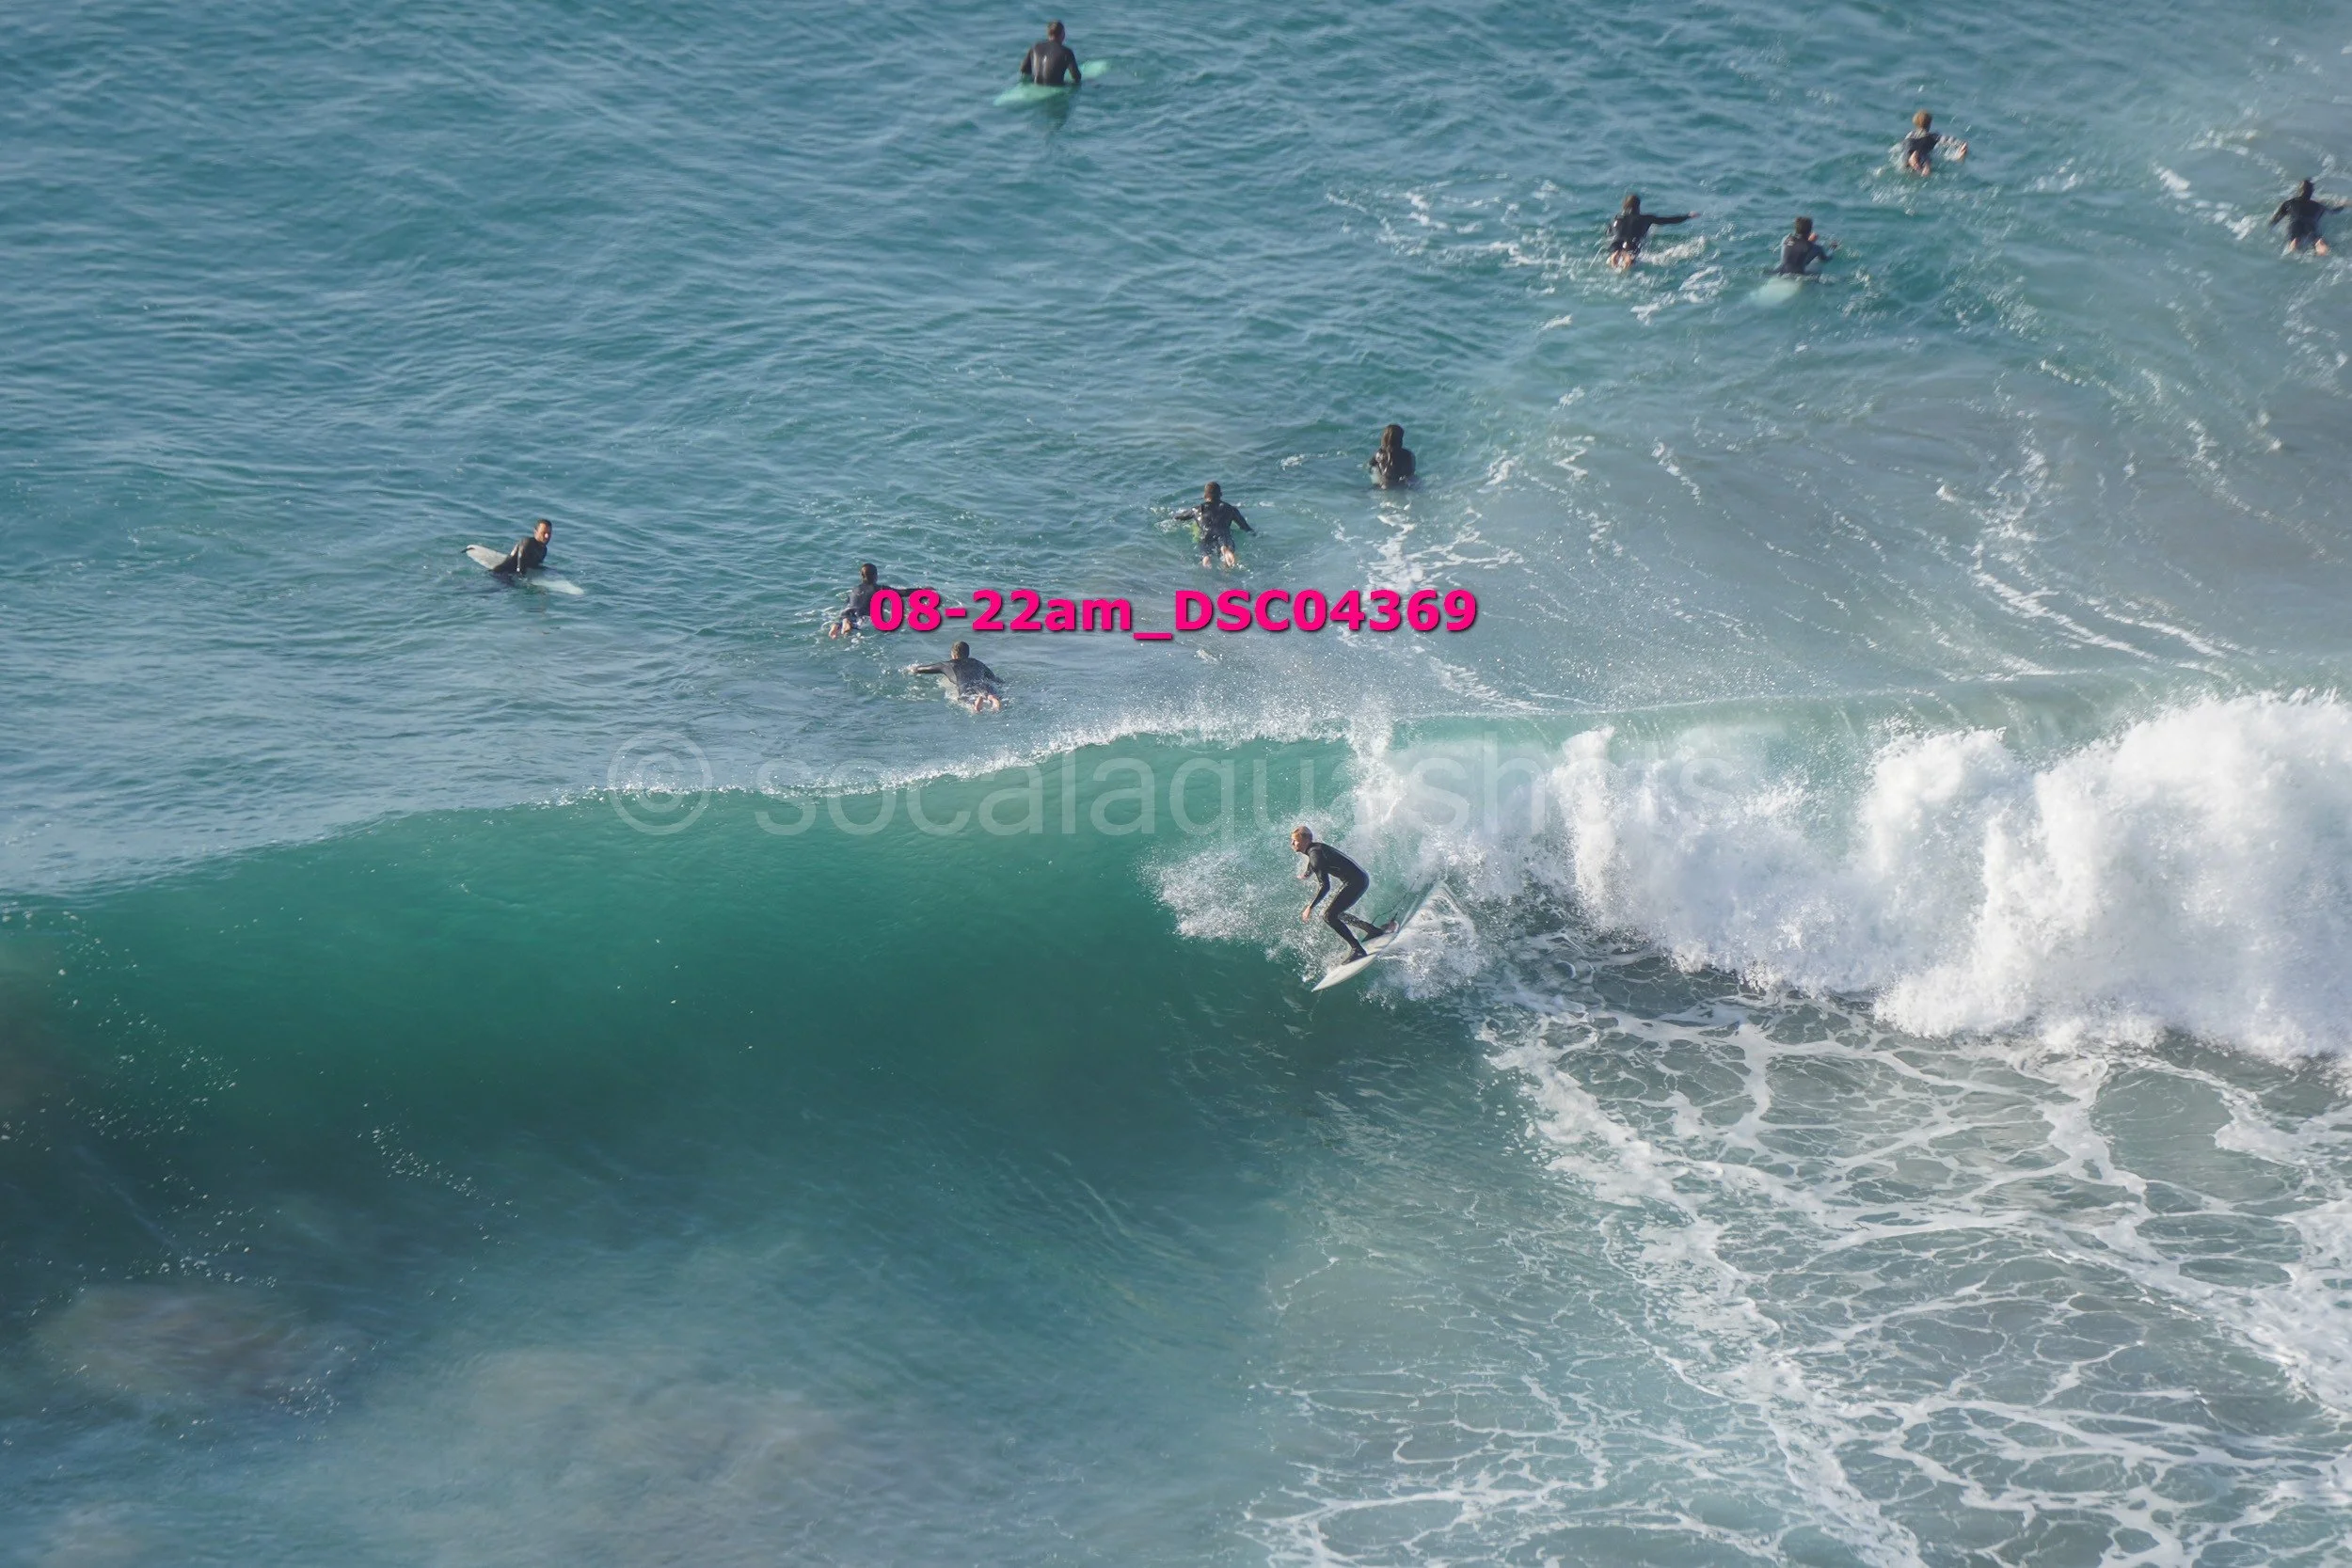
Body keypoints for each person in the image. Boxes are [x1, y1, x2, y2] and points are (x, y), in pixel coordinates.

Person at [1291, 826, 1391, 964]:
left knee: (1329, 916)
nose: (1292, 844)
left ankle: (1358, 950)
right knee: (1335, 913)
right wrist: (1307, 874)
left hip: (1355, 883)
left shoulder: (1315, 855)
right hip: (1359, 879)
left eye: (1295, 841)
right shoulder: (1314, 849)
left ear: (1305, 840)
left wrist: (1310, 906)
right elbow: (1314, 862)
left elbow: (1325, 886)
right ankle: (1372, 930)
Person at [1175, 482, 1254, 568]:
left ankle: (1206, 558)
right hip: (1223, 535)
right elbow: (1245, 527)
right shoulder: (1230, 509)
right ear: (1221, 494)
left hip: (1206, 535)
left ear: (1204, 495)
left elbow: (1178, 517)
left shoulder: (1197, 510)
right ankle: (1226, 551)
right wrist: (1254, 534)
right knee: (1227, 547)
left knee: (1205, 552)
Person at [910, 641, 1003, 713]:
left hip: (966, 687)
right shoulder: (977, 662)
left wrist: (913, 669)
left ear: (953, 655)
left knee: (969, 703)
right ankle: (992, 699)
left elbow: (923, 669)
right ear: (968, 654)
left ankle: (976, 705)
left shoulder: (946, 665)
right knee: (989, 693)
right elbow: (993, 677)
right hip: (983, 685)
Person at [1607, 194, 1695, 268]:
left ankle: (1615, 253)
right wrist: (1687, 216)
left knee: (1618, 249)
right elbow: (1668, 220)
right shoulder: (1646, 218)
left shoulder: (1616, 218)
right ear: (1638, 207)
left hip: (1615, 244)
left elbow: (1609, 233)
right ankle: (1627, 258)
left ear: (1624, 206)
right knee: (1631, 260)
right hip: (1632, 245)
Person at [2271, 179, 2346, 255]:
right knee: (2317, 240)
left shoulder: (2289, 203)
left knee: (2295, 239)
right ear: (2311, 193)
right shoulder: (2318, 205)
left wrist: (2272, 224)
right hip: (2310, 224)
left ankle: (2293, 248)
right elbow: (2334, 211)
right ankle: (2321, 248)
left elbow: (2275, 219)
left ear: (2299, 191)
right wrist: (2343, 205)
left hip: (2295, 223)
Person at [830, 562, 897, 638]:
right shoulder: (880, 589)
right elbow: (903, 593)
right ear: (876, 576)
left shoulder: (855, 589)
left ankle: (836, 625)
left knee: (843, 620)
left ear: (861, 576)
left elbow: (847, 602)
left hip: (846, 612)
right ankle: (849, 624)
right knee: (860, 625)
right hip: (862, 614)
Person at [1900, 111, 1966, 177]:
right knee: (1927, 159)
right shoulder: (1933, 136)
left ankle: (1913, 155)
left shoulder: (1910, 134)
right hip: (1922, 157)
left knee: (1910, 152)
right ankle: (1925, 164)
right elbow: (1948, 140)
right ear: (1929, 124)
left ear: (1915, 123)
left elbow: (1905, 144)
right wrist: (1961, 143)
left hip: (1907, 155)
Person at [1020, 20, 1081, 87]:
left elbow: (1023, 69)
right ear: (1063, 34)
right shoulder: (1067, 52)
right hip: (1055, 88)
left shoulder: (1035, 47)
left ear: (1048, 33)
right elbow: (1076, 77)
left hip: (1035, 84)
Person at [1370, 424, 1417, 488]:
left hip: (1386, 484)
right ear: (1400, 440)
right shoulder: (1408, 454)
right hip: (1403, 484)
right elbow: (1411, 472)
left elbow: (1370, 466)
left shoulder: (1379, 454)